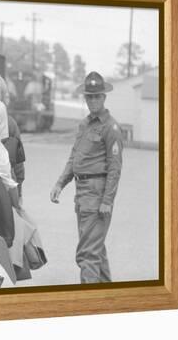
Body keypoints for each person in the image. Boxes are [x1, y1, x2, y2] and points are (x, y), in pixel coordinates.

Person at [50, 71, 123, 284]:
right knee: (95, 251)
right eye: (89, 97)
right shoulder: (85, 124)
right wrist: (60, 183)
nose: (92, 100)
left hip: (97, 195)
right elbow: (75, 157)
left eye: (96, 96)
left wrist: (107, 201)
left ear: (104, 97)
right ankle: (108, 299)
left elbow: (115, 168)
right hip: (82, 194)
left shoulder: (111, 127)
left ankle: (89, 305)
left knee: (87, 255)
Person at [0, 73, 26, 196]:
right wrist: (18, 193)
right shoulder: (9, 123)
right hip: (0, 187)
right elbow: (17, 162)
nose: (7, 100)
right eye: (6, 95)